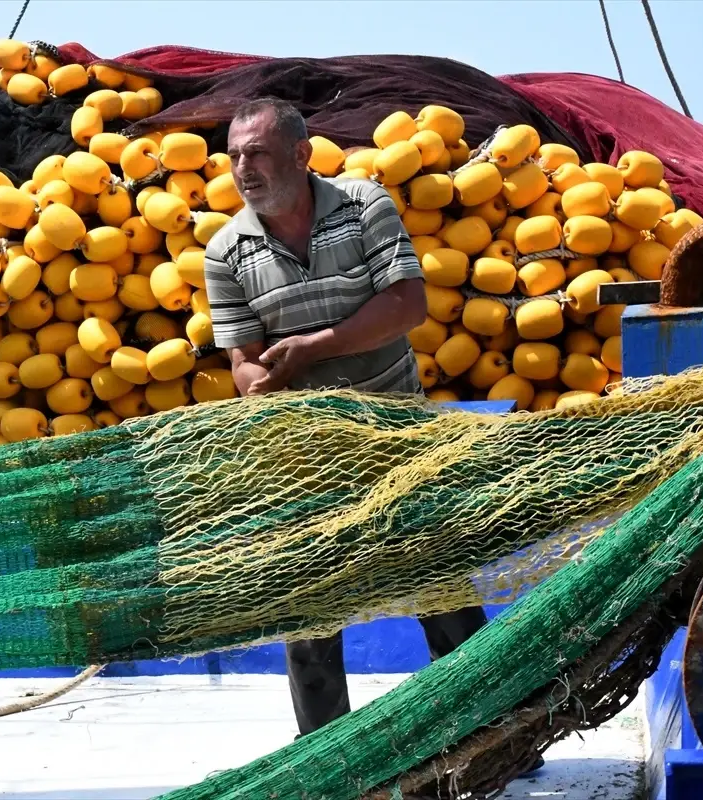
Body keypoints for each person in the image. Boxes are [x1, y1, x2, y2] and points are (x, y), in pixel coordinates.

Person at [202, 96, 526, 758]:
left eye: (257, 153)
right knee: (309, 607)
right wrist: (256, 383)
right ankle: (325, 755)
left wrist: (313, 348)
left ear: (301, 154)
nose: (243, 168)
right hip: (303, 452)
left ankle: (490, 735)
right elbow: (239, 359)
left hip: (396, 435)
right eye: (234, 156)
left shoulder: (362, 204)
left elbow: (407, 305)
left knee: (440, 587)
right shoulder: (225, 250)